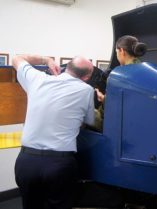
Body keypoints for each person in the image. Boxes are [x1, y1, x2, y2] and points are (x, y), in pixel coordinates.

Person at [12, 54, 95, 209]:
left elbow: (16, 58)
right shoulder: (87, 90)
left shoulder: (37, 79)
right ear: (86, 77)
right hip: (59, 164)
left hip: (26, 161)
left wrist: (46, 60)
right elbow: (89, 121)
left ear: (66, 67)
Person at [93, 35, 147, 131]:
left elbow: (110, 111)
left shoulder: (119, 75)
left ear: (121, 51)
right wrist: (104, 98)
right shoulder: (144, 69)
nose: (117, 55)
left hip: (118, 126)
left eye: (116, 52)